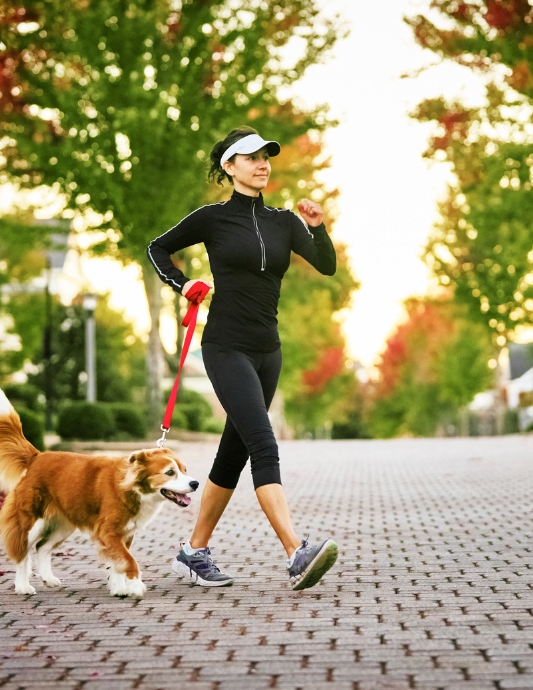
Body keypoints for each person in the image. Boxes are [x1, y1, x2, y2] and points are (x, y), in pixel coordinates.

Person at [146, 126, 339, 591]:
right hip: (225, 347)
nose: (262, 163)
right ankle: (296, 552)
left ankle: (193, 552)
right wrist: (183, 283)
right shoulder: (212, 219)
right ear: (229, 167)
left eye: (266, 156)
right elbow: (158, 248)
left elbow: (327, 265)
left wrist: (318, 227)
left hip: (267, 352)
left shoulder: (285, 222)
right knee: (262, 443)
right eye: (250, 157)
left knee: (232, 455)